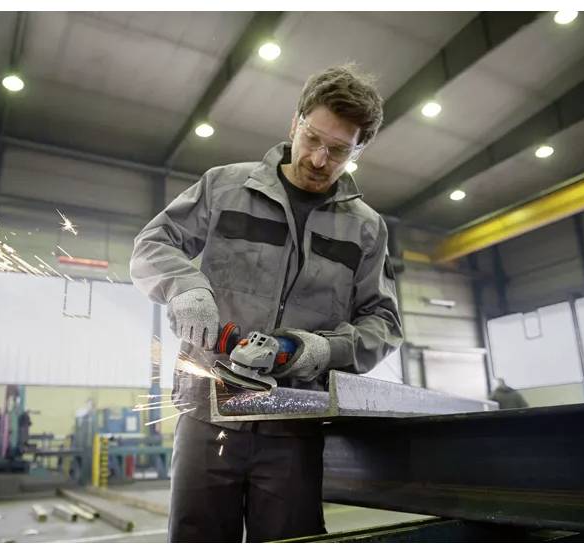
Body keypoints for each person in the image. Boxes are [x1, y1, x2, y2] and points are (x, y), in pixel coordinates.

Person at [130, 64, 403, 543]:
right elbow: (154, 244)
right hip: (207, 412)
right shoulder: (224, 187)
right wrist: (186, 287)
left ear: (359, 150)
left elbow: (383, 323)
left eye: (338, 150)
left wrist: (318, 351)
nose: (319, 159)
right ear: (294, 122)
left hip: (294, 424)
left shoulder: (365, 228)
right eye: (313, 138)